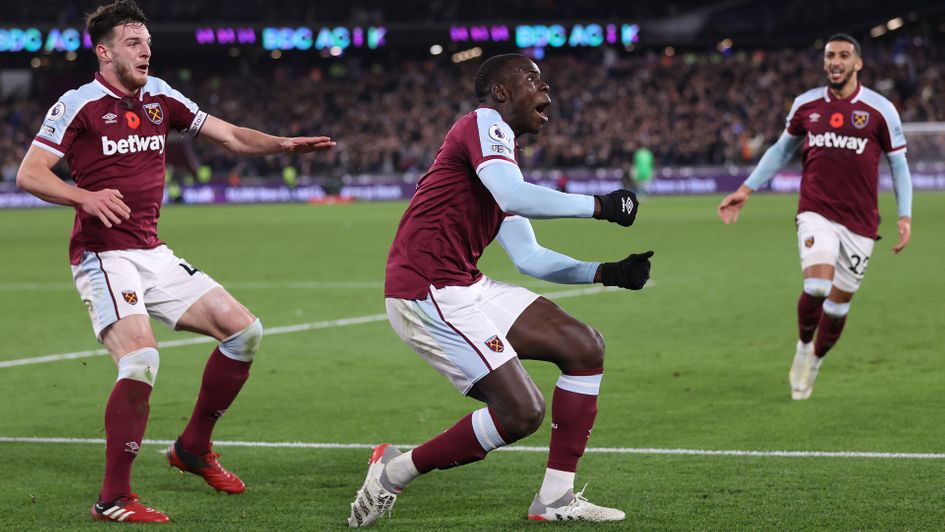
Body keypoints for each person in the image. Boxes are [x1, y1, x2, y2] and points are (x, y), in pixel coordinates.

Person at [15, 0, 334, 523]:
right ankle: (113, 498)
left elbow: (228, 135)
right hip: (104, 255)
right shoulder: (80, 103)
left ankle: (192, 448)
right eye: (132, 43)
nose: (145, 50)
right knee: (142, 358)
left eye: (146, 41)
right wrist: (84, 197)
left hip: (151, 252)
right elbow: (31, 173)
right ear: (104, 52)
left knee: (244, 332)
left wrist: (281, 145)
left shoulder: (160, 95)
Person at [347, 53, 653, 527]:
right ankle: (394, 471)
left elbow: (530, 257)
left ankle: (554, 498)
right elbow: (513, 195)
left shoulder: (498, 162)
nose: (546, 90)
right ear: (502, 92)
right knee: (519, 413)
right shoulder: (483, 124)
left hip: (465, 284)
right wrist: (601, 206)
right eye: (533, 80)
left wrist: (606, 272)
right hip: (426, 293)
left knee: (584, 347)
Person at [717, 34, 912, 400]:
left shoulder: (880, 110)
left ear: (857, 63)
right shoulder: (806, 105)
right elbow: (780, 150)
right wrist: (746, 188)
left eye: (843, 56)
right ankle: (803, 347)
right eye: (829, 56)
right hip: (816, 211)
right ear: (824, 63)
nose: (835, 62)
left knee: (837, 308)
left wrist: (905, 215)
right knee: (817, 287)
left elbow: (898, 165)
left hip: (861, 222)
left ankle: (816, 359)